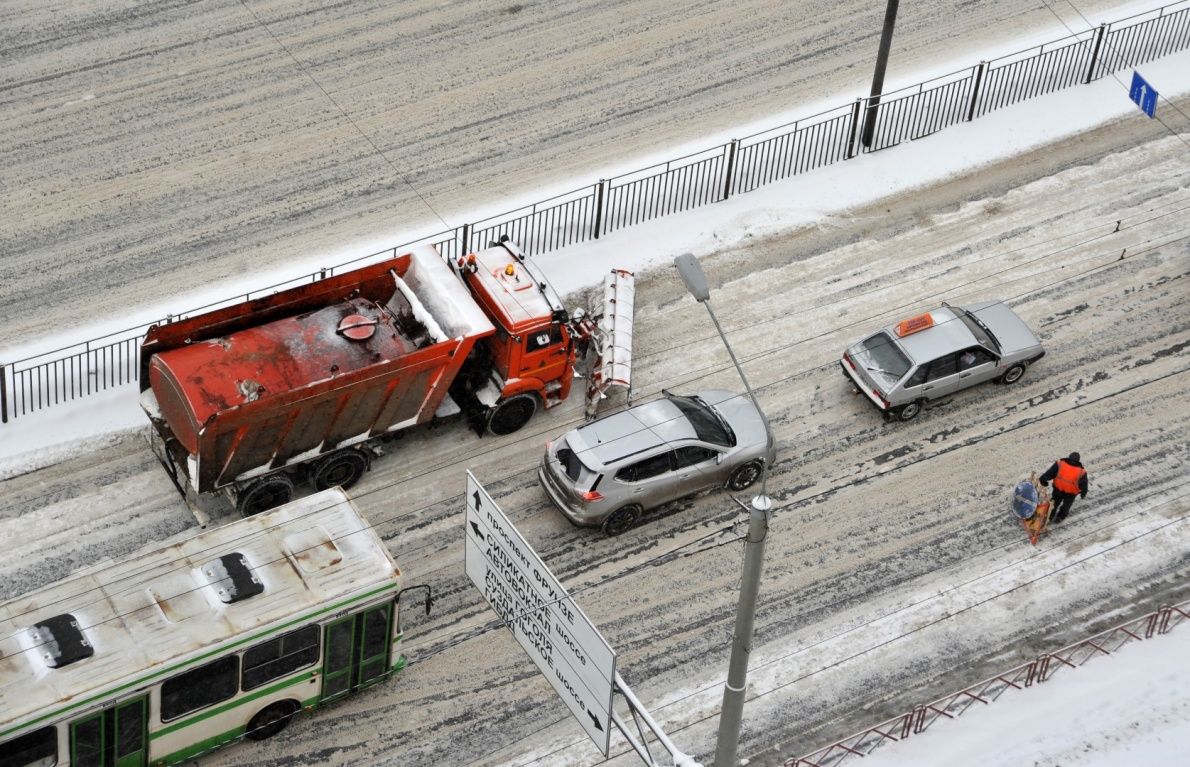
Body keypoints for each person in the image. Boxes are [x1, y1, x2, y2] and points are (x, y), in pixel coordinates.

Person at [1039, 452, 1088, 524]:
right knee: (1066, 506)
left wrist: (1043, 480)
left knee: (1054, 503)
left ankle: (1049, 516)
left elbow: (1050, 473)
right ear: (1078, 460)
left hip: (1058, 489)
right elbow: (1084, 485)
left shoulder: (1060, 463)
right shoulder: (1081, 471)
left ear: (1069, 457)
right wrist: (1083, 493)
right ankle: (1060, 517)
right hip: (1070, 493)